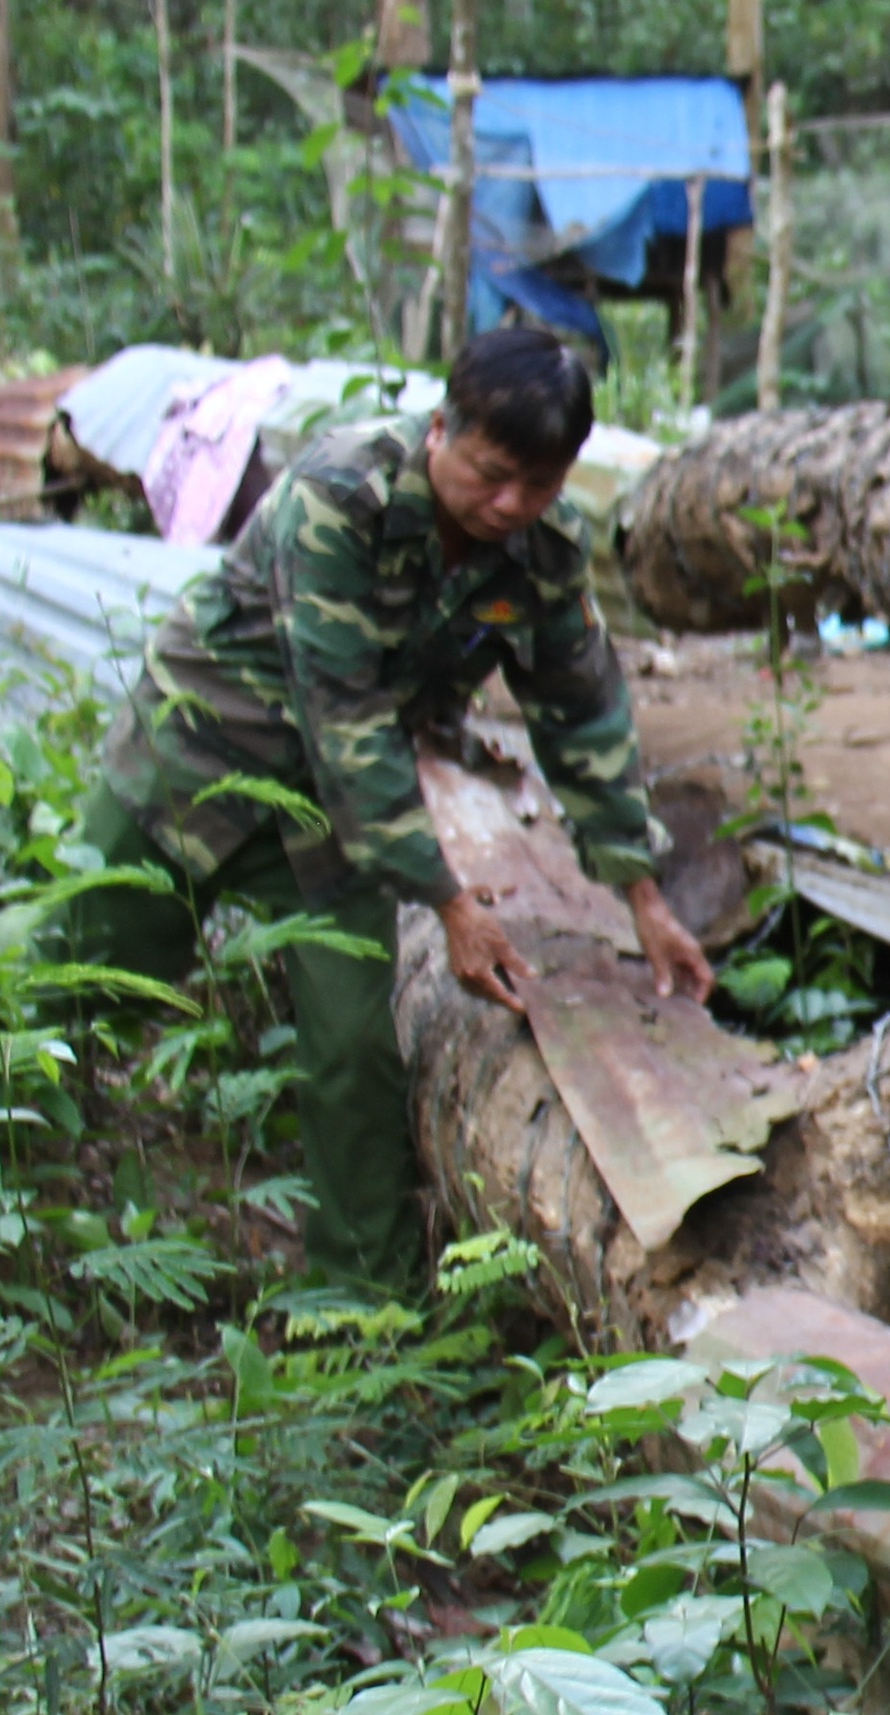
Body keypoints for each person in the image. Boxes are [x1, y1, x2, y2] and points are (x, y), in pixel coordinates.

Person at [52, 323, 712, 1291]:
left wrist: (643, 898)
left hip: (327, 820)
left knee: (355, 1051)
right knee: (74, 981)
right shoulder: (338, 498)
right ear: (441, 427)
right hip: (193, 761)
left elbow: (582, 712)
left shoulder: (542, 549)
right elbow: (346, 717)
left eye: (538, 486)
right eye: (490, 474)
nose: (508, 505)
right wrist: (450, 905)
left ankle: (360, 1306)